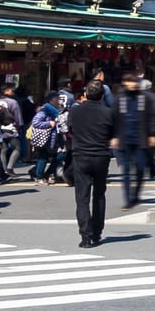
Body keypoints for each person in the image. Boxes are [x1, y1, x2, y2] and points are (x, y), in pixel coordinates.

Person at [64, 82, 115, 246]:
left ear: (85, 94)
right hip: (101, 155)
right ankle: (97, 231)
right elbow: (113, 133)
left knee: (82, 197)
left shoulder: (75, 111)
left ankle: (86, 236)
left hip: (81, 155)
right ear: (102, 96)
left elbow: (70, 130)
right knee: (99, 195)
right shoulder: (108, 112)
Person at [113, 69, 155, 209]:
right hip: (124, 138)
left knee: (140, 167)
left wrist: (153, 134)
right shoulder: (120, 98)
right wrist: (114, 136)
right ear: (124, 83)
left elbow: (152, 116)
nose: (133, 84)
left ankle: (136, 193)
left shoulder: (144, 97)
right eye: (130, 81)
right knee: (126, 170)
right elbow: (114, 118)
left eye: (135, 81)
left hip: (141, 138)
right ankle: (128, 199)